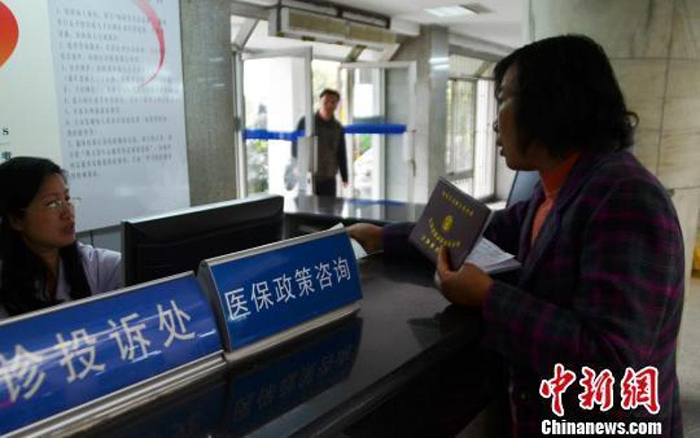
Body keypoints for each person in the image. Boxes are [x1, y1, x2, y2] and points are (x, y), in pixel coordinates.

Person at [349, 35, 684, 437]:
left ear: (552, 103)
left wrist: (489, 297)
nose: (495, 122)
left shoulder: (626, 198)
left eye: (504, 98)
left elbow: (613, 366)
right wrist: (384, 238)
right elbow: (487, 229)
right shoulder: (557, 188)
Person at [0, 157, 122, 318]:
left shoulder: (89, 262)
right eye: (52, 204)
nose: (68, 213)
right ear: (16, 220)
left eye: (67, 199)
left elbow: (134, 267)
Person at [292, 88, 348, 196]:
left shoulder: (338, 128)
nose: (329, 105)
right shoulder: (306, 122)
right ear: (320, 102)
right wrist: (296, 167)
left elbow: (341, 152)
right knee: (307, 205)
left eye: (333, 102)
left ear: (337, 105)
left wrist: (344, 176)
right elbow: (295, 145)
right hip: (309, 177)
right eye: (326, 102)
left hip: (329, 177)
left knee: (329, 206)